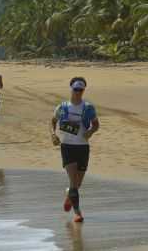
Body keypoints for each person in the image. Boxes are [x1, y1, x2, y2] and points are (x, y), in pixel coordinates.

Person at [50, 77, 100, 223]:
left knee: (78, 184)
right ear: (71, 89)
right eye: (75, 89)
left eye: (80, 90)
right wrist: (53, 135)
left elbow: (96, 124)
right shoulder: (63, 107)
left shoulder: (88, 108)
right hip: (67, 146)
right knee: (73, 182)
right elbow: (52, 121)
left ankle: (69, 194)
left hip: (83, 147)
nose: (78, 92)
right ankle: (78, 213)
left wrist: (90, 132)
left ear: (83, 90)